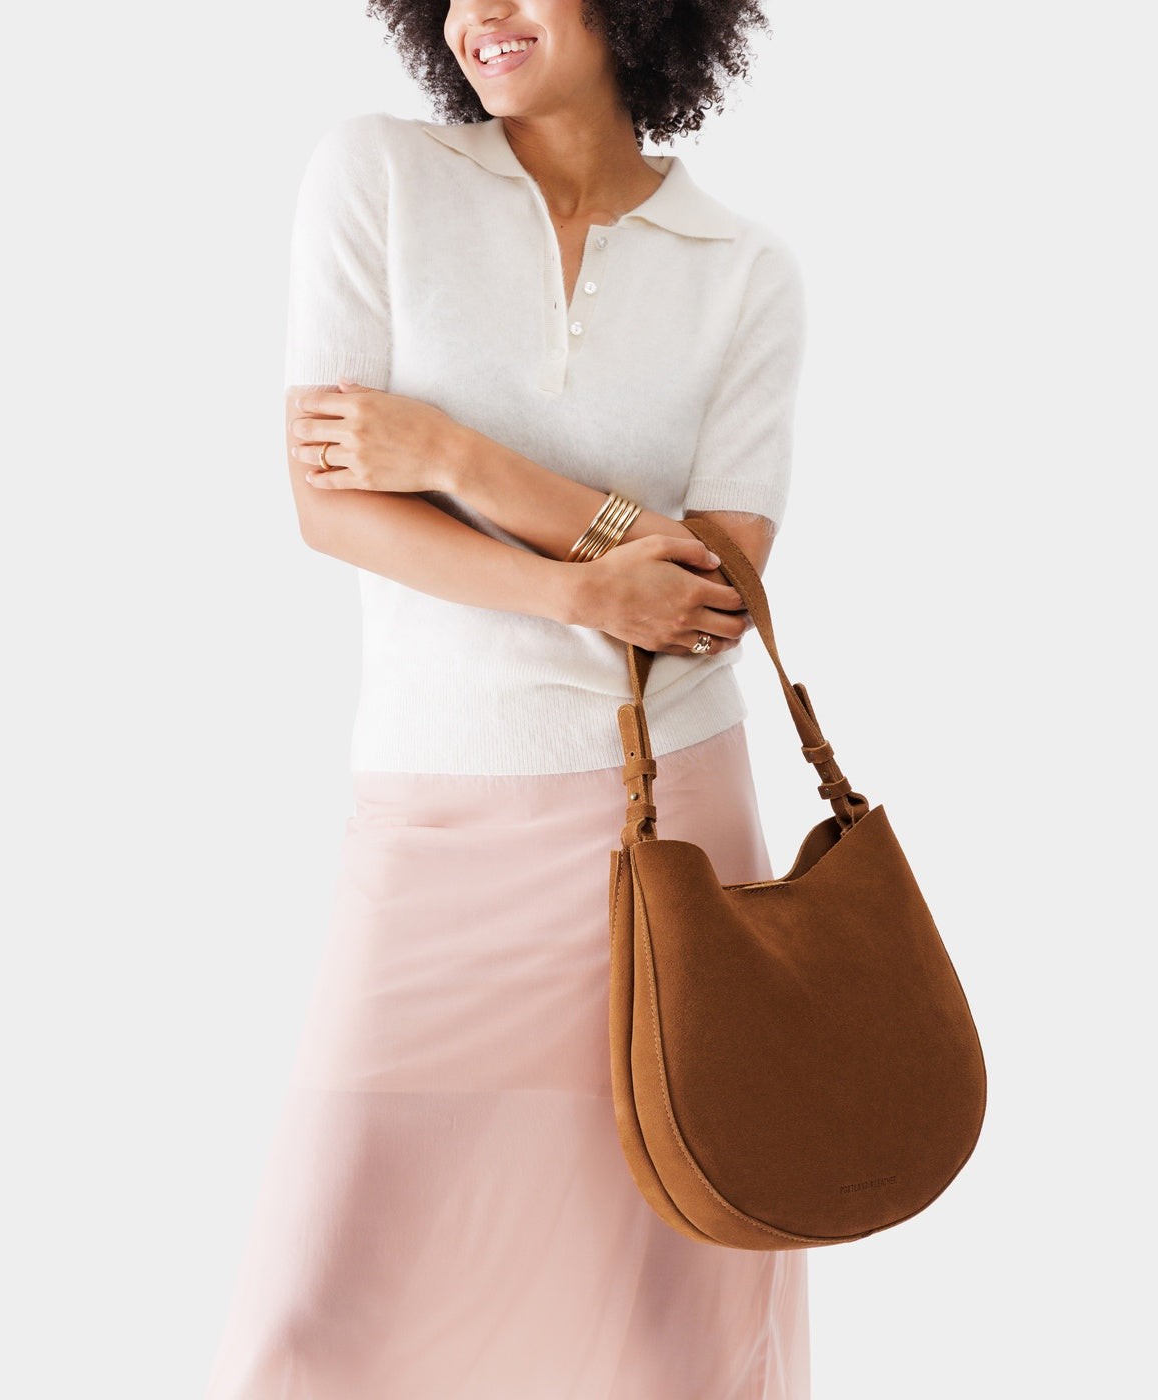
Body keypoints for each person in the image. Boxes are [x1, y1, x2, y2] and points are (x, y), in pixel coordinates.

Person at [203, 1, 812, 1395]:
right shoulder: (380, 176)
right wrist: (583, 589)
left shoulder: (743, 270)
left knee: (671, 1325)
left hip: (670, 841)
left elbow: (714, 595)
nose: (483, 11)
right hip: (434, 819)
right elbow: (328, 503)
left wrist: (460, 461)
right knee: (311, 1321)